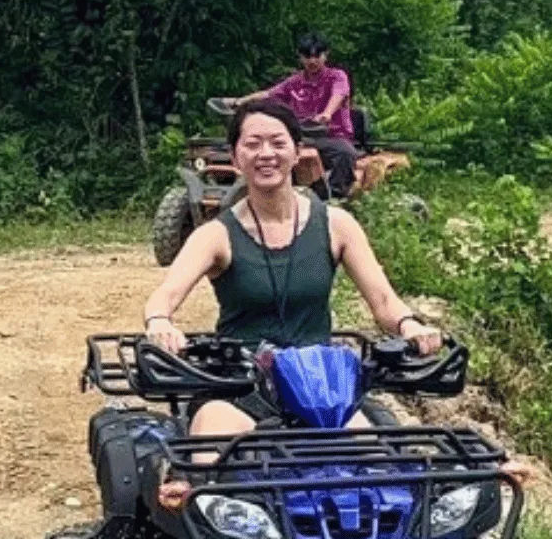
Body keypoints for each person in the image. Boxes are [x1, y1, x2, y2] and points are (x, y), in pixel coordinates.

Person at [142, 99, 442, 511]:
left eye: (277, 142)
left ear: (298, 151)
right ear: (235, 157)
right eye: (253, 144)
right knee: (204, 472)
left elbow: (385, 301)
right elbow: (165, 295)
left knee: (387, 469)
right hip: (240, 385)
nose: (266, 154)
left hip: (322, 383)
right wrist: (160, 320)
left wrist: (410, 325)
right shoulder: (216, 235)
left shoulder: (336, 225)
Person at [228, 32, 359, 197]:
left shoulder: (336, 77)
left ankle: (335, 196)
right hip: (302, 136)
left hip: (331, 136)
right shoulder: (295, 82)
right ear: (300, 57)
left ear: (326, 55)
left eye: (317, 55)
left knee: (346, 153)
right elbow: (268, 95)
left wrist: (326, 113)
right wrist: (238, 102)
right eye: (307, 56)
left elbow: (338, 95)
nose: (312, 61)